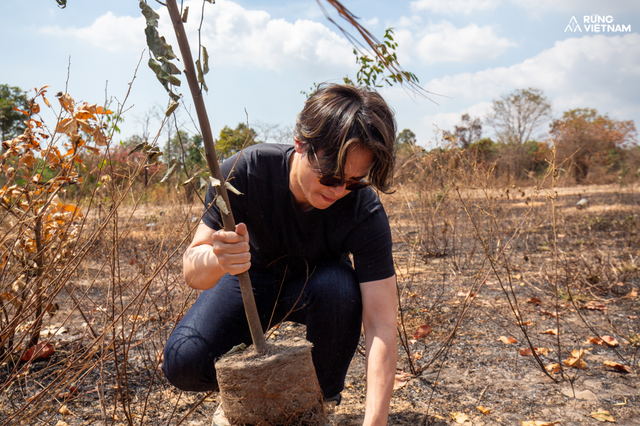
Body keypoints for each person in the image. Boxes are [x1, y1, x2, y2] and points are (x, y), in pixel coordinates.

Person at [162, 83, 398, 426]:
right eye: (331, 176)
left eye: (354, 181)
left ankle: (314, 403)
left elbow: (381, 325)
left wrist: (374, 424)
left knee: (339, 287)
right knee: (184, 361)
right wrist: (218, 259)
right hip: (250, 279)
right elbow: (191, 270)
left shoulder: (363, 210)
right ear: (301, 143)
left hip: (319, 288)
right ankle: (244, 396)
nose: (339, 191)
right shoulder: (245, 171)